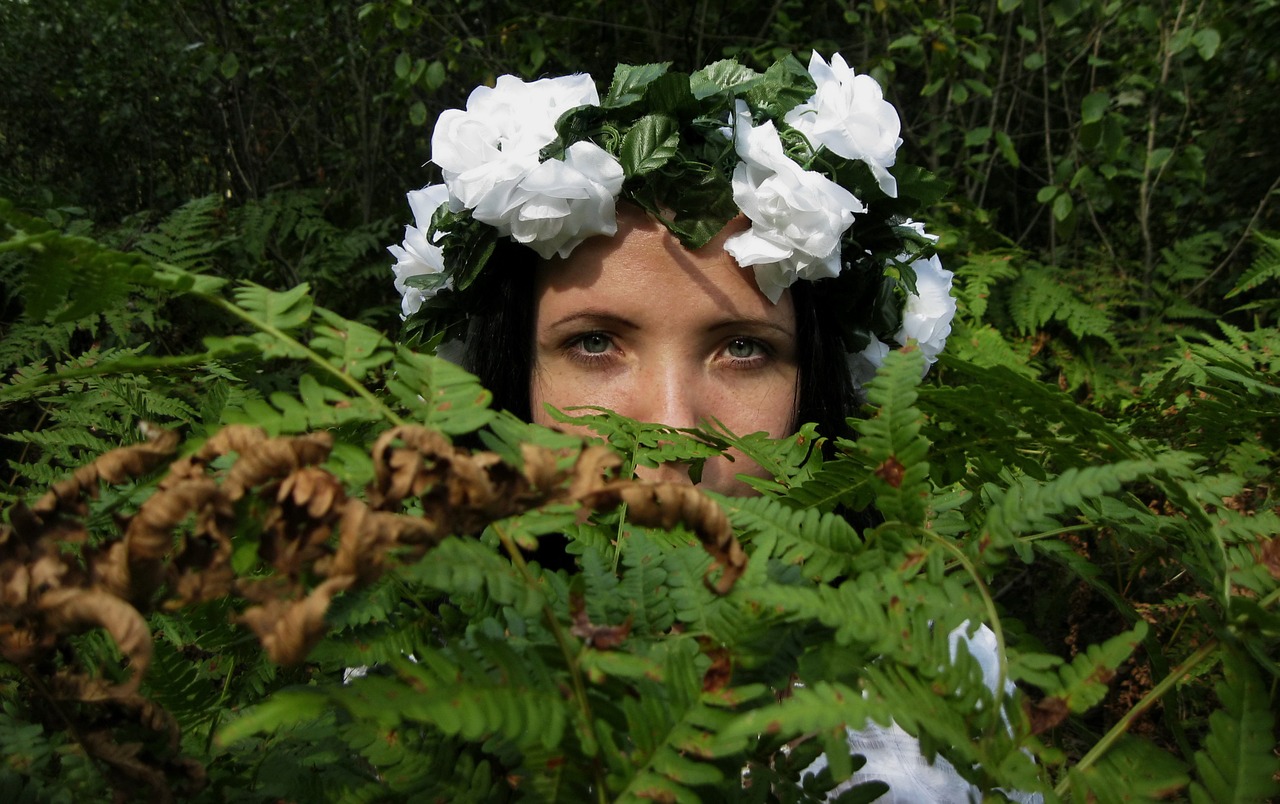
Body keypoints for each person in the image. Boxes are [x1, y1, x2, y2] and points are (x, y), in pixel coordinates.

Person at [387, 52, 1032, 803]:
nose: (670, 431)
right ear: (507, 378)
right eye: (594, 343)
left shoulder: (938, 687)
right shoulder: (408, 671)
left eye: (744, 348)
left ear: (818, 385)